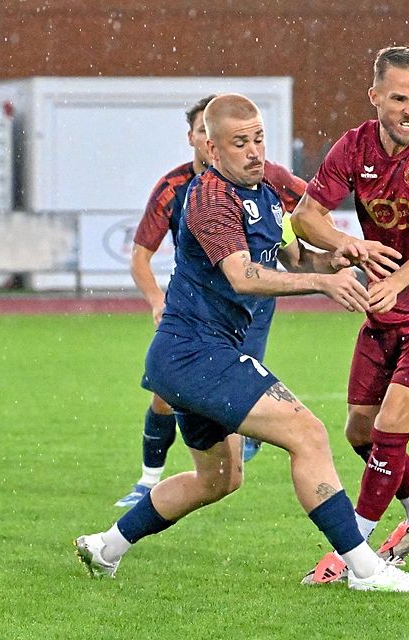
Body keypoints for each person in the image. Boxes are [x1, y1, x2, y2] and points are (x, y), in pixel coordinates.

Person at [75, 93, 409, 593]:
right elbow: (243, 275)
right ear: (213, 150)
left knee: (218, 480)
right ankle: (366, 571)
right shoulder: (207, 199)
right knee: (307, 434)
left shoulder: (265, 190)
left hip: (196, 357)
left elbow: (294, 259)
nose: (254, 151)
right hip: (194, 353)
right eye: (240, 143)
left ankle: (105, 547)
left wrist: (339, 259)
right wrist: (322, 285)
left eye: (259, 138)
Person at [291, 45, 409, 584]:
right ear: (374, 96)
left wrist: (396, 279)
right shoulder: (353, 149)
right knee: (358, 430)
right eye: (399, 98)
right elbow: (307, 218)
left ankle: (357, 556)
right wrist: (348, 243)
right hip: (389, 306)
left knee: (392, 420)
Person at [115, 95, 308, 508]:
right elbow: (140, 256)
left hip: (252, 310)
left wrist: (338, 244)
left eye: (255, 138)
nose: (249, 149)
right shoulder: (177, 190)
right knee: (167, 396)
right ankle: (149, 479)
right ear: (198, 139)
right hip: (198, 310)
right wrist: (155, 301)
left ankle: (239, 443)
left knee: (241, 398)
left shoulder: (267, 178)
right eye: (204, 132)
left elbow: (312, 206)